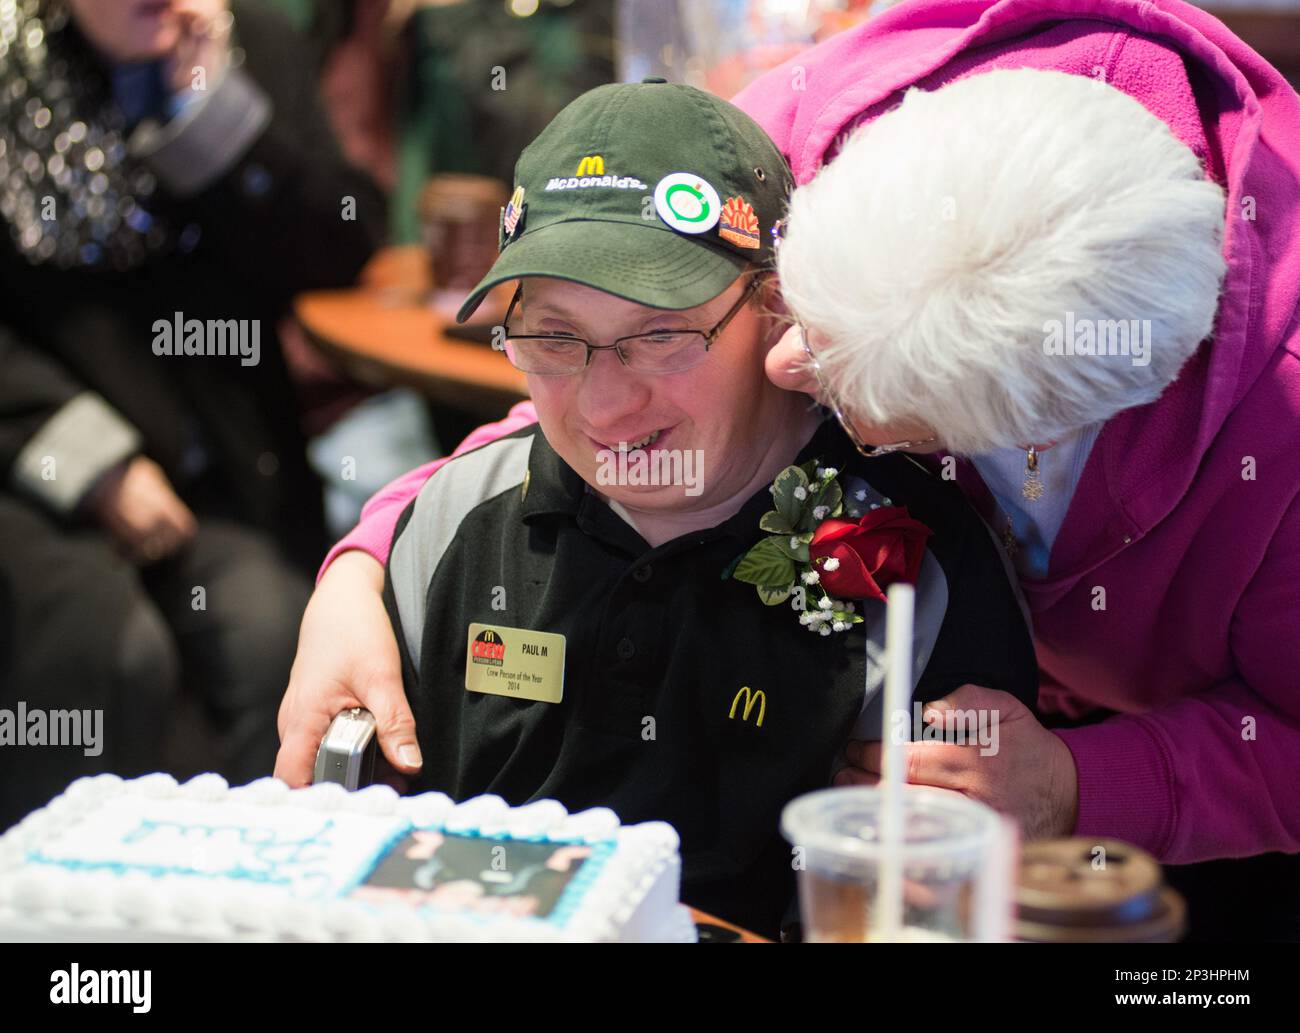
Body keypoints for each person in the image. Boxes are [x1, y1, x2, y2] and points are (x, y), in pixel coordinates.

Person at [277, 0, 1300, 938]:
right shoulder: (785, 141)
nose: (783, 367)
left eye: (849, 376)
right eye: (802, 310)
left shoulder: (1269, 442)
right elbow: (594, 380)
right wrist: (368, 559)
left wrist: (1086, 782)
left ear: (1040, 431)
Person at [374, 79, 1038, 934]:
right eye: (554, 336)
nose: (604, 404)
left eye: (660, 335)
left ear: (779, 310)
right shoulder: (451, 521)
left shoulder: (923, 571)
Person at [0, 0, 385, 828]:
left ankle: (256, 894)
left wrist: (208, 112)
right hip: (32, 467)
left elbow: (340, 247)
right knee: (102, 652)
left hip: (222, 477)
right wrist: (91, 464)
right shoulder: (9, 59)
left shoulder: (248, 43)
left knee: (271, 633)